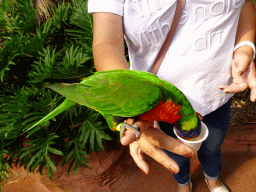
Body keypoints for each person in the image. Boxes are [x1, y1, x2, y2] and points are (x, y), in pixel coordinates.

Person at [88, 0, 256, 191]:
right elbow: (106, 43)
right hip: (160, 108)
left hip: (218, 96)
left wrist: (245, 48)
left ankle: (213, 179)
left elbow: (246, 3)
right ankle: (183, 183)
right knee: (176, 157)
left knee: (212, 148)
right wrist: (134, 109)